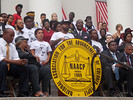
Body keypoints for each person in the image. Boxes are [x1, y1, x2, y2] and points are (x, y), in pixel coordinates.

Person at [0, 28, 29, 97]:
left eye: (13, 36)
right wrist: (15, 61)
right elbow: (1, 58)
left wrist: (21, 62)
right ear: (4, 34)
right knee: (3, 65)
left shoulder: (12, 46)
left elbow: (16, 58)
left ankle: (22, 91)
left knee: (25, 68)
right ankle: (1, 91)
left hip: (10, 66)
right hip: (1, 66)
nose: (12, 38)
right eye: (11, 36)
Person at [30, 29, 51, 96]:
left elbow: (49, 54)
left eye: (42, 33)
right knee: (36, 71)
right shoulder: (33, 43)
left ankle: (45, 91)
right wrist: (37, 59)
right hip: (37, 63)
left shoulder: (46, 43)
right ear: (36, 35)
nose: (41, 34)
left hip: (45, 63)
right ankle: (36, 90)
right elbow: (32, 53)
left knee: (47, 71)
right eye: (39, 33)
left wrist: (46, 61)